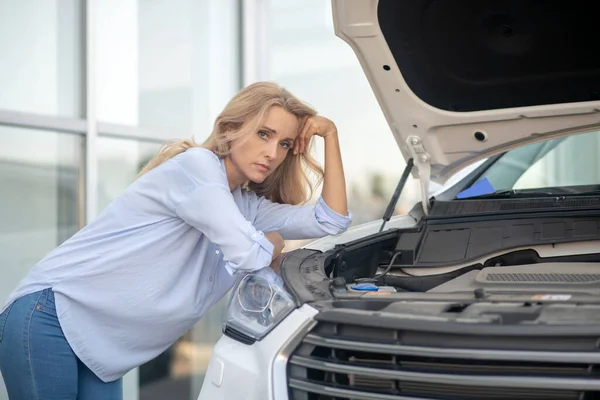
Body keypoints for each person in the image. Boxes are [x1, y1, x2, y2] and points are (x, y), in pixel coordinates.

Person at [0, 82, 352, 399]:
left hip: (99, 349)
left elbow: (331, 219)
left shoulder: (245, 206)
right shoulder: (197, 168)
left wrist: (330, 134)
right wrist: (273, 245)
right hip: (51, 316)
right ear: (230, 129)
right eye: (264, 134)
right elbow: (248, 254)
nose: (273, 153)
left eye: (285, 143)